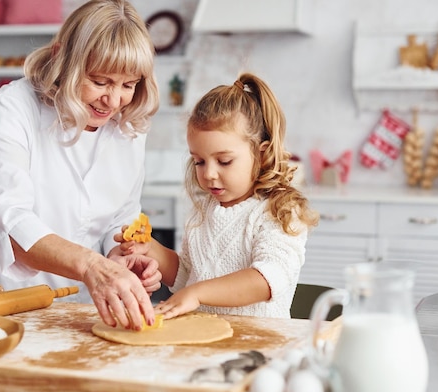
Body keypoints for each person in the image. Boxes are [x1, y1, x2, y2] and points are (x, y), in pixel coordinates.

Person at [0, 0, 161, 331]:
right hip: (0, 302)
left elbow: (119, 219)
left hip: (80, 311)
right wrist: (94, 267)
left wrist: (120, 256)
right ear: (63, 57)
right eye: (100, 81)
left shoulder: (129, 126)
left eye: (128, 84)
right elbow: (15, 228)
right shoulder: (11, 110)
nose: (114, 100)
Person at [117, 73, 319, 319]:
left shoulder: (279, 211)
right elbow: (188, 276)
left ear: (262, 154)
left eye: (224, 161)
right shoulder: (205, 210)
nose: (209, 174)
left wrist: (198, 293)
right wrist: (150, 249)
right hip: (209, 342)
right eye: (199, 161)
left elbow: (268, 279)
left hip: (259, 344)